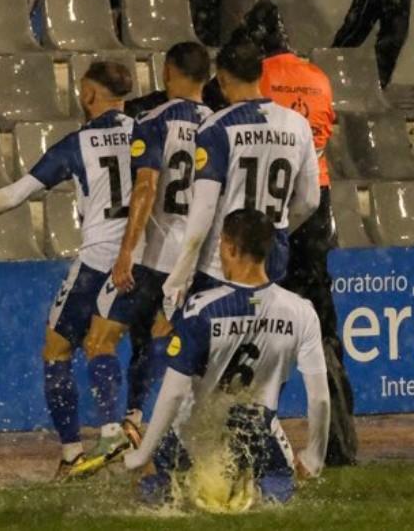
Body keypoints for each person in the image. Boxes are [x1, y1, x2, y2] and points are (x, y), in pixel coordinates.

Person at [0, 62, 136, 480]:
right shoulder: (145, 133)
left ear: (88, 94)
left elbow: (18, 193)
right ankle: (124, 429)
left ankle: (72, 452)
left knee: (57, 349)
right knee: (115, 343)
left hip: (98, 259)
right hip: (142, 259)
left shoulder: (77, 144)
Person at [49, 43, 214, 481]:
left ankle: (114, 430)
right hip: (197, 260)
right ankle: (144, 426)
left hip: (155, 255)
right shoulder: (219, 127)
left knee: (100, 339)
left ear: (167, 72)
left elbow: (144, 189)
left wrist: (126, 252)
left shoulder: (153, 121)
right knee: (163, 339)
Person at [123, 209, 331, 508]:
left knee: (155, 491)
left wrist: (143, 455)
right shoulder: (301, 311)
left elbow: (174, 392)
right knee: (272, 497)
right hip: (258, 436)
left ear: (231, 248)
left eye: (221, 243)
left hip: (196, 434)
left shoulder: (201, 309)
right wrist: (314, 455)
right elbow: (320, 399)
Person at [235, 0, 358, 466]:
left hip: (267, 206)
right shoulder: (318, 76)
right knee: (321, 326)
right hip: (315, 202)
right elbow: (324, 135)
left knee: (258, 322)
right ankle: (341, 442)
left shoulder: (258, 79)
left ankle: (250, 435)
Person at [161, 40, 321, 309]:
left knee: (213, 345)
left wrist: (179, 277)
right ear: (260, 75)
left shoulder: (217, 127)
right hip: (271, 259)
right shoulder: (298, 125)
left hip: (223, 262)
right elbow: (310, 200)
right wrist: (271, 231)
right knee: (262, 341)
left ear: (222, 79)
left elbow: (204, 208)